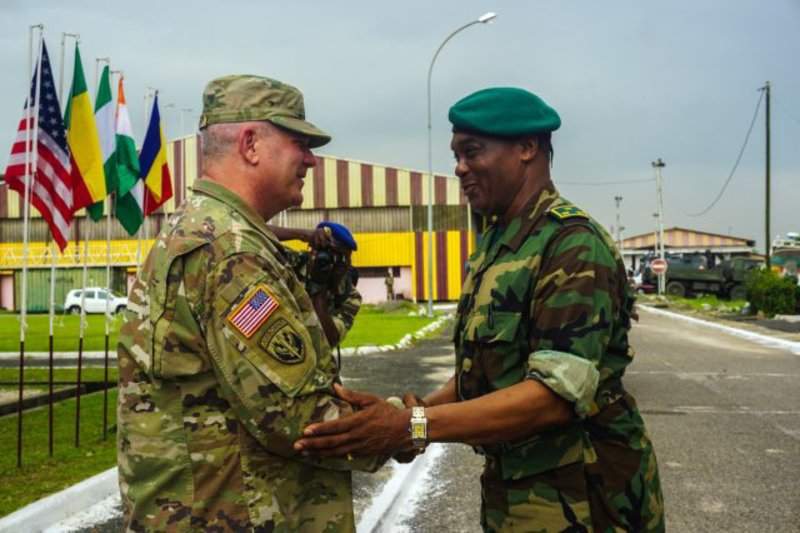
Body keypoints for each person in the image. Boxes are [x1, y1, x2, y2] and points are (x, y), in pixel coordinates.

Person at [295, 87, 665, 532]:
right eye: (456, 155)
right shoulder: (498, 244)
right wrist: (403, 412)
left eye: (472, 152)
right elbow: (485, 373)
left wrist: (411, 426)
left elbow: (553, 398)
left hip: (586, 497)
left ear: (527, 148)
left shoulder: (572, 245)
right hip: (520, 490)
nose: (459, 167)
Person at [117, 74, 384, 532]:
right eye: (300, 143)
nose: (311, 160)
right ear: (251, 144)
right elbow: (298, 418)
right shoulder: (230, 251)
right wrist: (415, 424)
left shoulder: (212, 230)